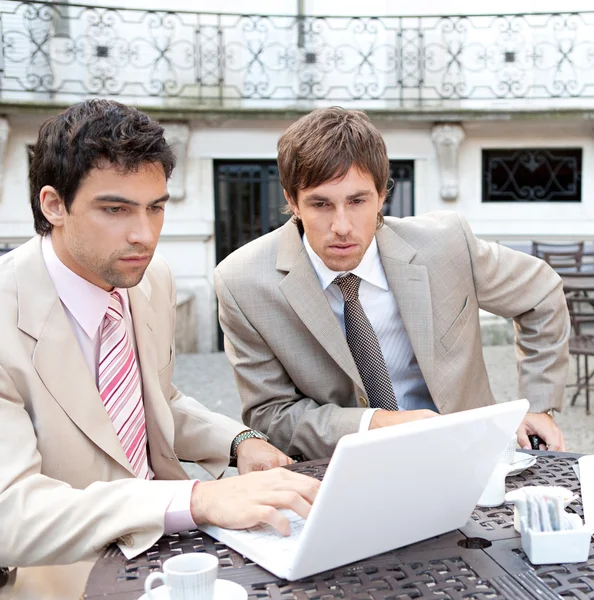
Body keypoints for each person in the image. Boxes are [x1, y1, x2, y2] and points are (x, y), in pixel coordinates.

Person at [0, 99, 319, 568]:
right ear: (54, 205)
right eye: (116, 209)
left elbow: (158, 401)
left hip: (174, 552)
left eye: (155, 208)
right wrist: (196, 500)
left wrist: (238, 442)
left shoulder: (152, 278)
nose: (144, 235)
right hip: (65, 573)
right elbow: (12, 513)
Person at [214, 106, 570, 461]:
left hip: (470, 461)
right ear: (291, 201)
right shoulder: (242, 282)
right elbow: (271, 416)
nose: (341, 226)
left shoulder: (446, 243)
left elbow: (541, 294)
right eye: (321, 204)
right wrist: (377, 424)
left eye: (357, 201)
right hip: (342, 472)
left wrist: (539, 406)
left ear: (383, 194)